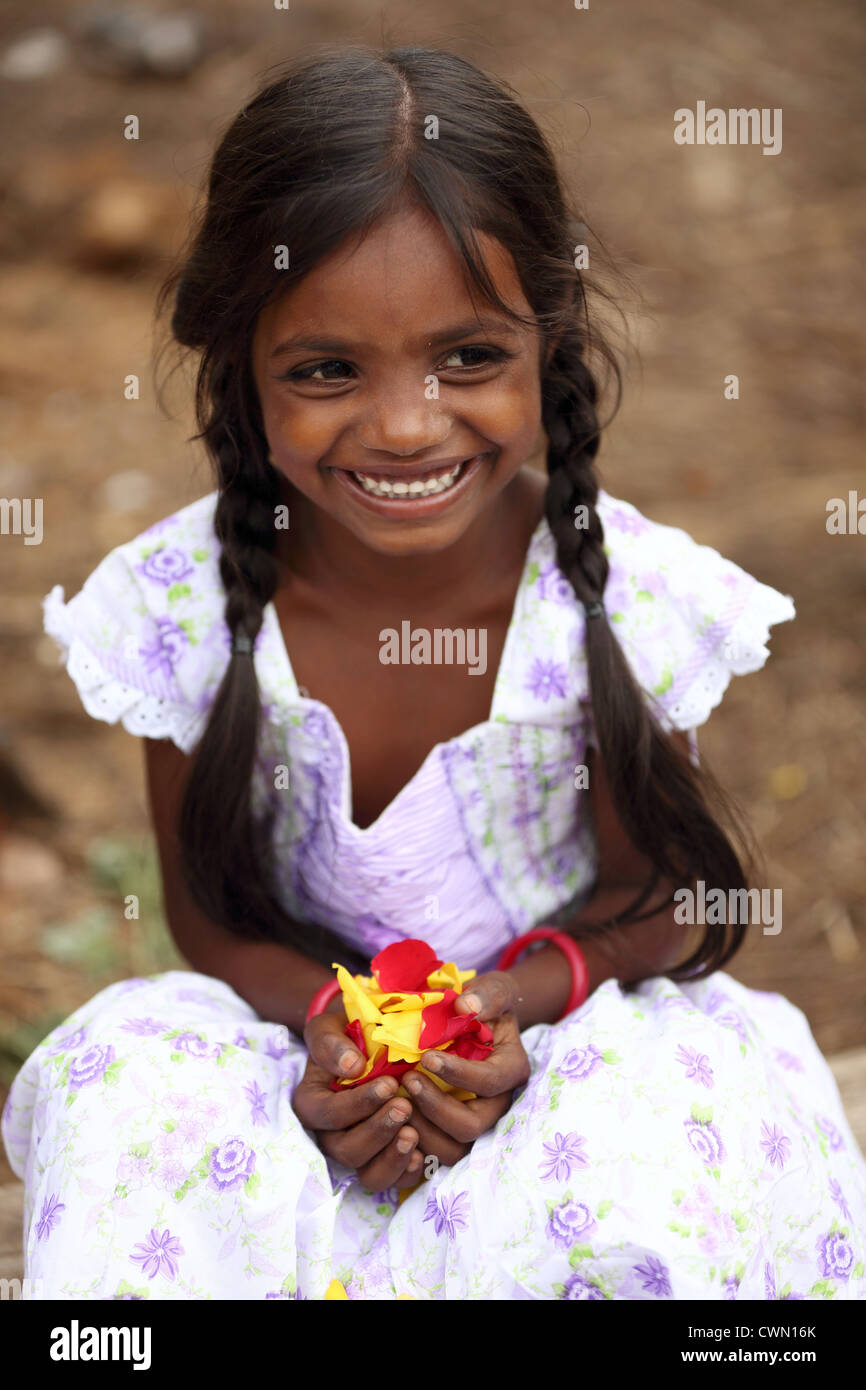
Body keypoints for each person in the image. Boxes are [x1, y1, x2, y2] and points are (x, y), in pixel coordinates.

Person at [3, 45, 864, 1301]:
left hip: (563, 1043)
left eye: (467, 358)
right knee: (120, 1093)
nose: (406, 425)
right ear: (237, 361)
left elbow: (660, 896)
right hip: (288, 1047)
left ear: (546, 342)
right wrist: (338, 1035)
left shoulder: (617, 596)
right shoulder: (179, 609)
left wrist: (504, 1005)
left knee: (648, 1180)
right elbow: (208, 918)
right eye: (326, 369)